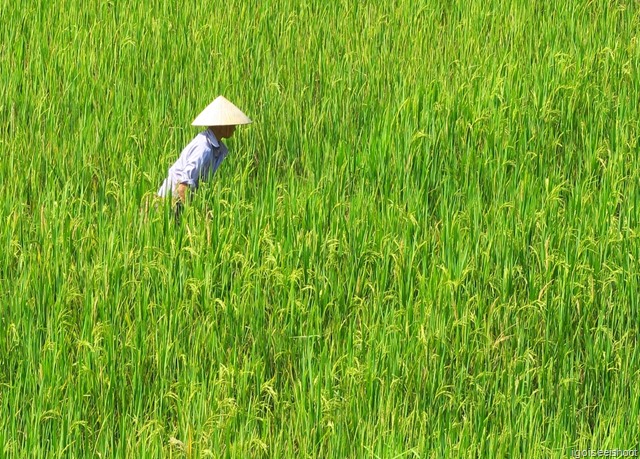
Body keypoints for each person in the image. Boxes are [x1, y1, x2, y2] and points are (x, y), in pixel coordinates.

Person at [157, 96, 252, 216]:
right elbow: (183, 187)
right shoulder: (204, 148)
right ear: (221, 125)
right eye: (231, 123)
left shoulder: (214, 147)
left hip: (180, 202)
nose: (235, 128)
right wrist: (189, 217)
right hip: (169, 204)